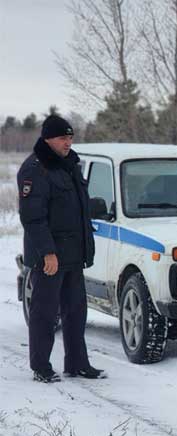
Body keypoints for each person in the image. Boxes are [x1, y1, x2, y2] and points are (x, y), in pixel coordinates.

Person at [17, 115, 105, 383]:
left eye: (70, 137)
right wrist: (48, 252)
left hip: (73, 254)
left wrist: (86, 250)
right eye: (62, 138)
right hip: (50, 257)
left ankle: (77, 363)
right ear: (47, 139)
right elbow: (33, 217)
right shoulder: (35, 169)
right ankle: (41, 366)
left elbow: (79, 210)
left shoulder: (70, 165)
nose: (68, 143)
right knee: (45, 313)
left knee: (76, 312)